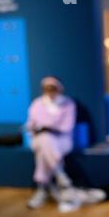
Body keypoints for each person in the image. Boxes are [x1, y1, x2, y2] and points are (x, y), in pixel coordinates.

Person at [26, 76, 76, 209]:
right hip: (40, 139)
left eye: (52, 88)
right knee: (44, 139)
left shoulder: (68, 104)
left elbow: (67, 126)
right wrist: (34, 127)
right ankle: (61, 176)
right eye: (46, 88)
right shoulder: (37, 103)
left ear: (59, 88)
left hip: (61, 140)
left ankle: (41, 190)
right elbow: (31, 123)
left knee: (44, 146)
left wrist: (49, 127)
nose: (50, 91)